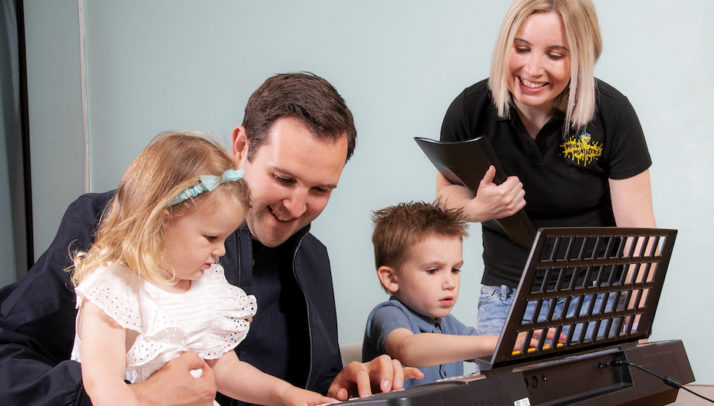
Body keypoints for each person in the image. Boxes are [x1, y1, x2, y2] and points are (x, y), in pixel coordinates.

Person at [0, 72, 417, 406]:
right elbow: (8, 358)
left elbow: (283, 382)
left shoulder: (311, 259)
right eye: (283, 178)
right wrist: (141, 397)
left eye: (320, 190)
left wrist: (339, 387)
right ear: (241, 146)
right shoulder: (111, 228)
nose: (295, 206)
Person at [436, 0, 656, 336]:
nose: (532, 69)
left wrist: (635, 315)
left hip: (597, 294)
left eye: (554, 55)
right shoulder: (469, 110)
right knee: (512, 390)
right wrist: (476, 207)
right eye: (521, 49)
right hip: (506, 297)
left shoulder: (613, 114)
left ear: (580, 58)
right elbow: (446, 195)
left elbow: (638, 230)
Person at [70, 132, 336, 406]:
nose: (221, 250)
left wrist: (287, 394)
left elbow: (226, 370)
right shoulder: (115, 292)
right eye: (211, 238)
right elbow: (104, 386)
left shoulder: (206, 286)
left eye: (225, 238)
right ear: (163, 224)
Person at [362, 202, 498, 387]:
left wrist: (524, 342)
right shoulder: (388, 315)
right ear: (391, 279)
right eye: (433, 270)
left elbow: (490, 350)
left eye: (455, 269)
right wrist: (490, 343)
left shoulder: (449, 323)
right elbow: (408, 348)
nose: (450, 283)